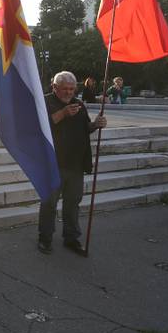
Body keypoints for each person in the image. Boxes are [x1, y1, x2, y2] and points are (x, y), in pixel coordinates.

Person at [38, 71, 107, 256]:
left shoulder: (79, 104)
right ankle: (45, 238)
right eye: (65, 89)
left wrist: (95, 124)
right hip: (52, 163)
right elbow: (38, 128)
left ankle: (71, 237)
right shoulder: (44, 102)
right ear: (54, 87)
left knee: (72, 203)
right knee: (49, 203)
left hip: (75, 163)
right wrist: (62, 113)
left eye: (72, 89)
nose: (69, 93)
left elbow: (85, 129)